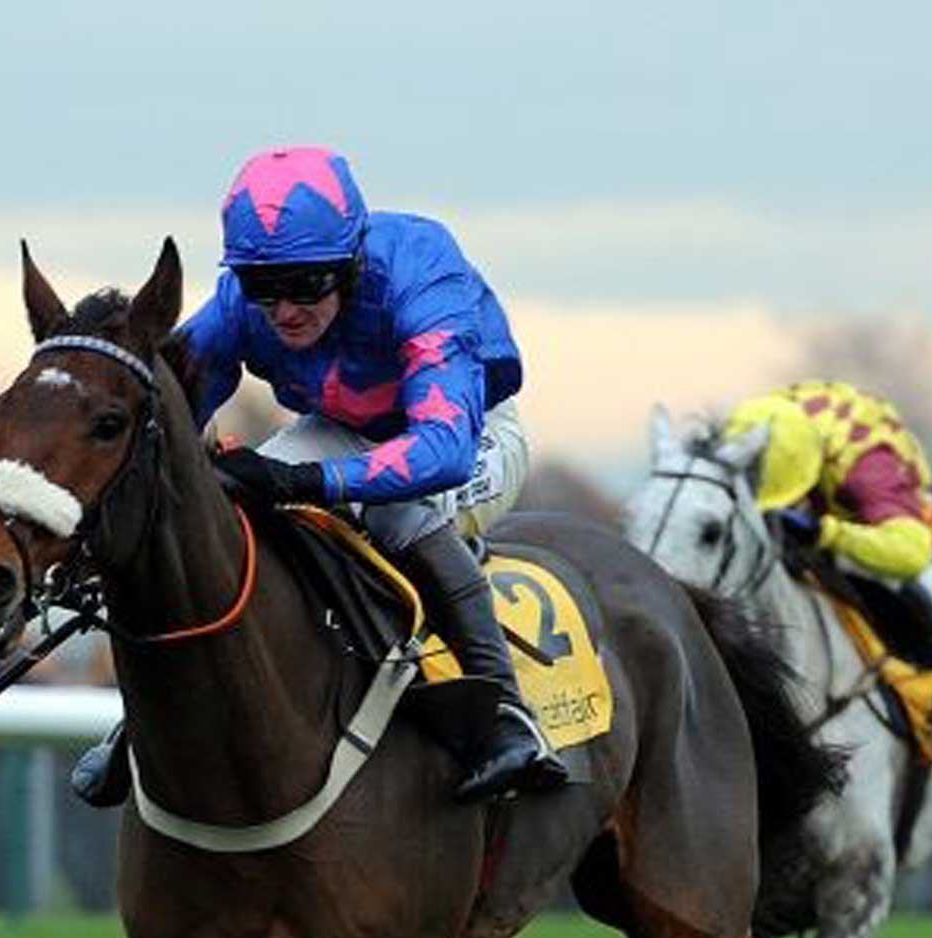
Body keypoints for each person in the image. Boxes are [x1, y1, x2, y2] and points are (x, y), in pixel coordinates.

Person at [72, 145, 566, 810]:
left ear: (351, 263)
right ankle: (144, 722)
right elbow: (162, 404)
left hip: (469, 434)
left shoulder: (421, 272)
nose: (283, 310)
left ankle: (507, 713)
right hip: (344, 427)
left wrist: (309, 484)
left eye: (306, 284)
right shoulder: (244, 301)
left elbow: (442, 449)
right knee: (228, 514)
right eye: (262, 287)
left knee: (391, 510)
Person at [722, 382, 932, 768]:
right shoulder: (753, 426)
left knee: (873, 575)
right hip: (818, 491)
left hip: (897, 526)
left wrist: (826, 532)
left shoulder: (868, 472)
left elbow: (910, 553)